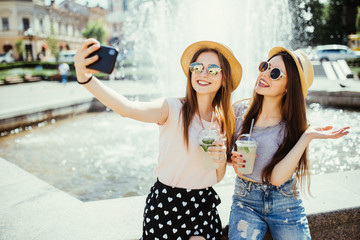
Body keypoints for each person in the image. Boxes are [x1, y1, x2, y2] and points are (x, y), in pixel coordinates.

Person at [74, 38, 243, 239]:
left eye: (213, 69)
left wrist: (221, 160)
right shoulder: (171, 108)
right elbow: (127, 109)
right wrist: (85, 78)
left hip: (202, 205)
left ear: (224, 79)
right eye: (197, 67)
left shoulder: (223, 119)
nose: (202, 73)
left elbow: (216, 177)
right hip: (166, 205)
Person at [228, 47, 350, 239]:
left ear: (288, 87)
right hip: (246, 201)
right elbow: (221, 156)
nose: (265, 74)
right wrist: (231, 160)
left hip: (285, 202)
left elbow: (276, 179)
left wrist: (306, 137)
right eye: (265, 66)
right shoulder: (239, 113)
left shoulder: (293, 127)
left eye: (275, 73)